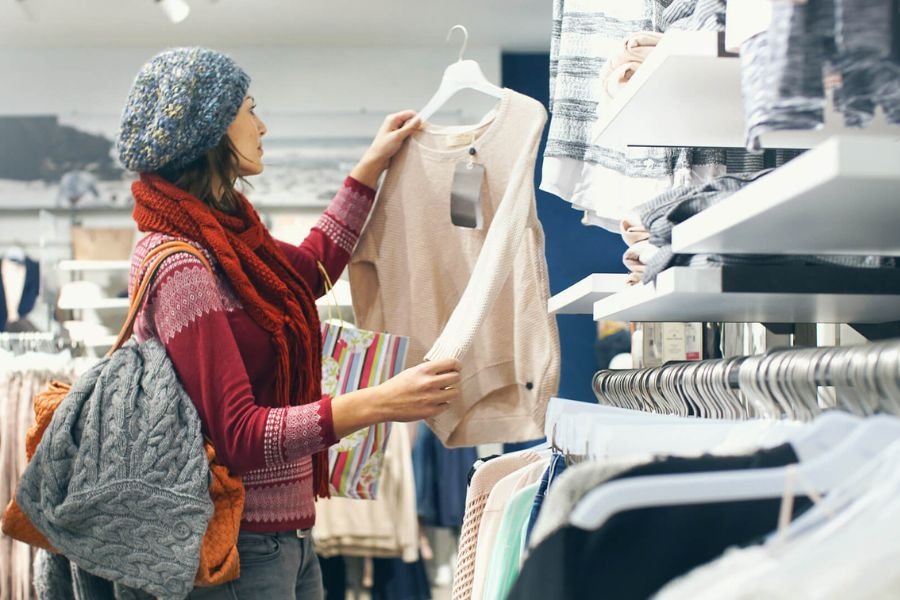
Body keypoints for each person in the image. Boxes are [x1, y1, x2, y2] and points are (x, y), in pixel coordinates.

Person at [116, 47, 463, 599]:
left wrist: (368, 168)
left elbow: (308, 272)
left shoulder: (228, 240)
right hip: (237, 548)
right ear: (208, 129)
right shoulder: (182, 264)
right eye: (249, 110)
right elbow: (238, 434)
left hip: (287, 538)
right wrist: (377, 403)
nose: (262, 125)